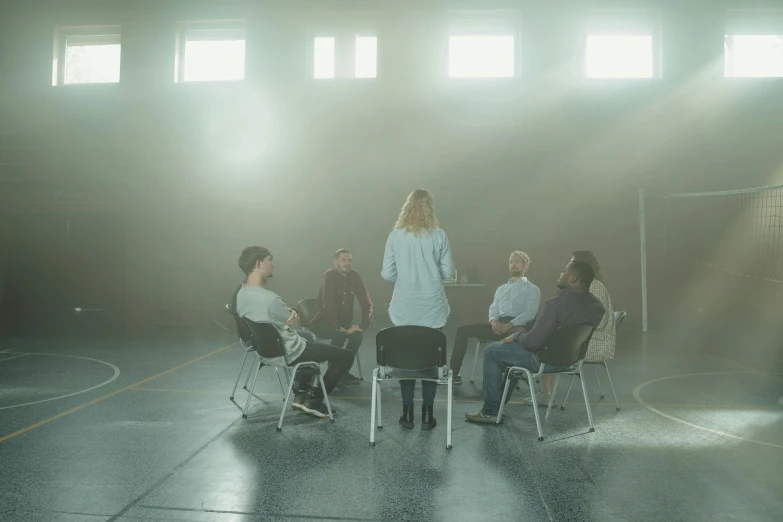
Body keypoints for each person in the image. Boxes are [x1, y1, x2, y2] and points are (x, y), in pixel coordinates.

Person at [465, 260, 605, 424]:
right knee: (511, 355)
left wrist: (516, 336)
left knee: (492, 351)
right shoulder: (597, 307)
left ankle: (490, 412)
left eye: (564, 271)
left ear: (573, 278)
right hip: (571, 361)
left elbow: (532, 343)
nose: (561, 273)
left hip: (544, 361)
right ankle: (498, 405)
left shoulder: (555, 304)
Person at [235, 245, 353, 419]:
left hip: (265, 351)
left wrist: (286, 314)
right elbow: (291, 320)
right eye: (270, 260)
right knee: (346, 356)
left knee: (309, 339)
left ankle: (301, 393)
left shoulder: (241, 293)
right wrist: (293, 312)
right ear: (259, 264)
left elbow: (275, 317)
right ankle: (315, 399)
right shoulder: (270, 299)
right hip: (291, 351)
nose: (273, 265)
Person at [382, 189, 455, 430]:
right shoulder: (440, 235)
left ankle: (406, 413)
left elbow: (387, 274)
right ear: (430, 208)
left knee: (407, 362)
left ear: (407, 207)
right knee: (430, 362)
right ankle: (427, 415)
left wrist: (407, 278)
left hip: (404, 308)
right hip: (433, 308)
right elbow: (447, 273)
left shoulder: (395, 236)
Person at [531, 250, 616, 405]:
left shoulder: (594, 287)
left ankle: (545, 392)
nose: (567, 266)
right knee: (547, 337)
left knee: (546, 343)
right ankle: (541, 381)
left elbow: (599, 322)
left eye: (571, 263)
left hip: (593, 343)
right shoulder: (584, 287)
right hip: (587, 339)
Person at [449, 251, 541, 384]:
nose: (513, 265)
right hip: (498, 324)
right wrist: (493, 322)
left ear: (526, 265)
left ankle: (510, 375)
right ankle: (453, 374)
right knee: (462, 330)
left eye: (517, 262)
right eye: (510, 262)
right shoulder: (501, 288)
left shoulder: (532, 289)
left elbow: (529, 314)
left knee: (519, 333)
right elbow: (494, 308)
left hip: (516, 326)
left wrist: (508, 325)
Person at [306, 249, 373, 385]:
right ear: (335, 262)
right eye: (343, 260)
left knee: (357, 335)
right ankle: (331, 377)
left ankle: (340, 372)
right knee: (340, 335)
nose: (347, 263)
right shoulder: (329, 275)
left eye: (349, 260)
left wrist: (361, 325)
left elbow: (366, 302)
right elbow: (329, 304)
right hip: (322, 322)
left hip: (342, 323)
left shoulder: (355, 276)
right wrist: (337, 327)